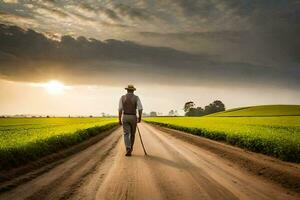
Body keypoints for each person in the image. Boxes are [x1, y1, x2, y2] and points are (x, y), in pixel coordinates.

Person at [118, 85, 143, 156]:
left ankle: (128, 148)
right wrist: (140, 118)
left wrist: (119, 119)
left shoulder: (122, 98)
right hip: (133, 117)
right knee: (132, 134)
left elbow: (120, 109)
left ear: (127, 90)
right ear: (133, 90)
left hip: (125, 116)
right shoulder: (136, 98)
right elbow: (140, 108)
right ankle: (131, 148)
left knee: (126, 134)